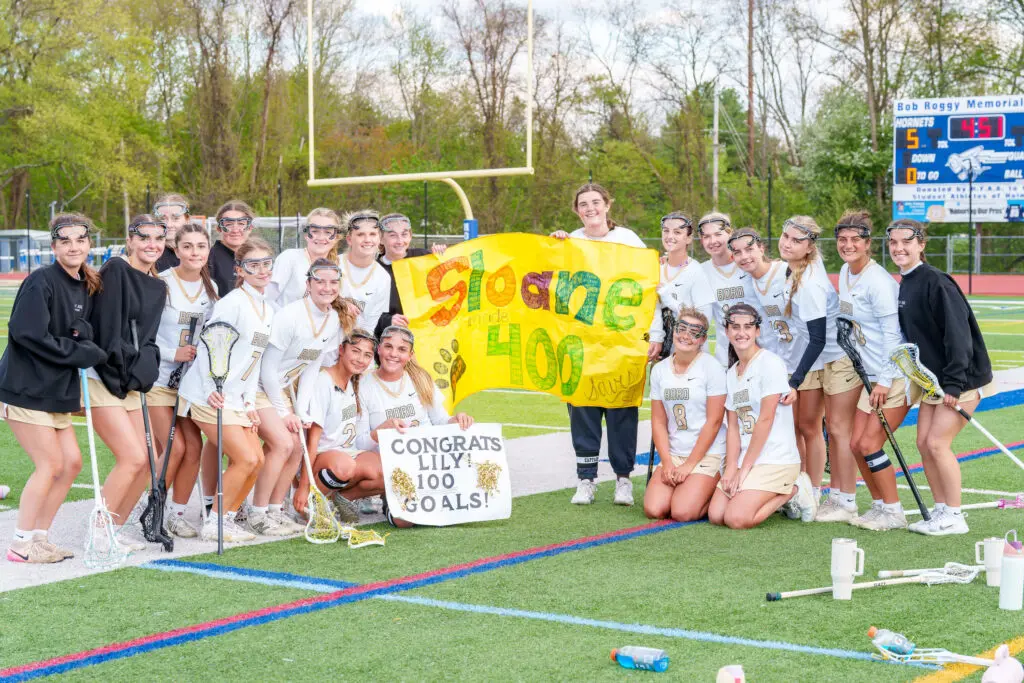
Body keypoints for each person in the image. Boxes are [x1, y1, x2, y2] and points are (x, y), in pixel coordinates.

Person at [0, 214, 107, 562]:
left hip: (57, 390)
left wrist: (85, 339)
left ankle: (40, 537)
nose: (73, 247)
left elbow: (76, 332)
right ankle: (20, 545)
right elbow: (27, 333)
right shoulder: (41, 281)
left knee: (71, 464)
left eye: (80, 240)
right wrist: (79, 351)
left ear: (89, 244)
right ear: (54, 246)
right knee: (49, 464)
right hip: (27, 387)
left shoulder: (84, 284)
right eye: (65, 241)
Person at [888, 219, 994, 536]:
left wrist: (954, 383)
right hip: (932, 381)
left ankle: (956, 516)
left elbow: (959, 337)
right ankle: (941, 511)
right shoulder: (906, 281)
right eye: (893, 242)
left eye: (906, 241)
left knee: (937, 443)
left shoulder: (937, 282)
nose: (898, 248)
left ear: (921, 244)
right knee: (923, 443)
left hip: (961, 379)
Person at [551, 183, 647, 506]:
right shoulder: (571, 241)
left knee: (622, 413)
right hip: (582, 344)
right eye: (583, 204)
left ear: (608, 204)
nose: (590, 208)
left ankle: (623, 480)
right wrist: (553, 248)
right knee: (583, 412)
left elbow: (647, 285)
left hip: (620, 342)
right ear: (576, 210)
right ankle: (586, 480)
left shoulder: (628, 239)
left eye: (596, 202)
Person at [178, 238, 276, 543]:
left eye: (266, 263)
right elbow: (209, 345)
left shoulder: (268, 308)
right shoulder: (232, 303)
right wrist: (211, 387)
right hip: (208, 394)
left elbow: (254, 360)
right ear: (240, 270)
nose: (262, 270)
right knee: (245, 459)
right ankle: (215, 523)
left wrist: (249, 402)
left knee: (257, 460)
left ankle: (228, 518)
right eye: (253, 265)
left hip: (236, 397)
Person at [87, 215, 169, 549]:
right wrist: (124, 372)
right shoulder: (116, 270)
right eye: (144, 237)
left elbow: (147, 339)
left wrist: (144, 371)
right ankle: (97, 532)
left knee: (148, 461)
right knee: (132, 457)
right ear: (130, 241)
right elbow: (107, 331)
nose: (152, 244)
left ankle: (113, 530)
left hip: (130, 379)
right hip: (103, 375)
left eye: (159, 238)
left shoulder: (158, 285)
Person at [250, 259, 344, 536]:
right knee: (283, 443)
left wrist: (300, 411)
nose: (327, 287)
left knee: (297, 445)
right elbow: (267, 369)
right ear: (308, 284)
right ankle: (257, 513)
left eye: (333, 282)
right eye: (320, 281)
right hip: (256, 386)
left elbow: (311, 367)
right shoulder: (290, 316)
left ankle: (275, 510)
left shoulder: (333, 319)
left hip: (281, 389)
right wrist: (284, 412)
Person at [829, 211, 908, 530]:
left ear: (867, 243)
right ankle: (878, 506)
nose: (847, 245)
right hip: (870, 376)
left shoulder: (878, 282)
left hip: (893, 376)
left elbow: (893, 336)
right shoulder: (846, 273)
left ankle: (894, 511)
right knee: (855, 444)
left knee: (869, 444)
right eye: (842, 240)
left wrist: (885, 381)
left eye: (854, 240)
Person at [707, 304, 816, 529]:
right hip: (747, 457)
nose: (741, 332)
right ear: (726, 331)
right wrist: (731, 467)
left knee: (736, 519)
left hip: (775, 458)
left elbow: (765, 420)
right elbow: (733, 427)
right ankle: (764, 491)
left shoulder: (770, 364)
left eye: (748, 327)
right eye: (735, 327)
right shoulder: (732, 373)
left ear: (757, 331)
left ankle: (795, 490)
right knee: (716, 515)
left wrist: (744, 469)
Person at [354, 326, 474, 527]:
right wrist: (380, 431)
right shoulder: (362, 385)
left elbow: (441, 421)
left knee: (451, 511)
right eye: (388, 346)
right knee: (405, 521)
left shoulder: (420, 379)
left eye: (402, 349)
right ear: (379, 349)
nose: (394, 354)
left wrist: (458, 420)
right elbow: (359, 443)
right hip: (391, 467)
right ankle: (386, 496)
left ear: (410, 355)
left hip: (428, 465)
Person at [151, 223, 219, 538]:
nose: (194, 252)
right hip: (157, 379)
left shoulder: (211, 288)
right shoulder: (160, 283)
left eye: (201, 246)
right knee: (174, 447)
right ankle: (151, 508)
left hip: (189, 385)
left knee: (194, 447)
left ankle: (176, 514)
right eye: (187, 246)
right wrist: (171, 353)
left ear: (208, 249)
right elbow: (141, 336)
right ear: (176, 250)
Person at [775, 217, 847, 504]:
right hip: (811, 355)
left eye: (796, 240)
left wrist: (795, 380)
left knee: (810, 427)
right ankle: (800, 485)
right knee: (799, 426)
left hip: (825, 358)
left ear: (809, 246)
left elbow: (818, 339)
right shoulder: (796, 268)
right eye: (785, 236)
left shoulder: (809, 283)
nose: (787, 243)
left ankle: (813, 491)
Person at [642, 308, 727, 522]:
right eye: (682, 328)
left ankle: (716, 491)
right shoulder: (659, 370)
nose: (686, 335)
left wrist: (689, 465)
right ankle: (692, 489)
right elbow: (658, 421)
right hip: (675, 452)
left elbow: (715, 421)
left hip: (707, 453)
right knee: (654, 509)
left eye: (695, 332)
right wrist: (667, 462)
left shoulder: (711, 368)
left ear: (703, 339)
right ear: (674, 331)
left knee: (682, 512)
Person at [294, 330, 381, 519]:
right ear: (341, 350)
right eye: (355, 351)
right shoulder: (323, 382)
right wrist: (303, 486)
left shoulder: (354, 381)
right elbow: (312, 442)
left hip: (346, 453)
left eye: (367, 355)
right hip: (320, 457)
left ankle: (341, 498)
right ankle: (311, 503)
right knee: (345, 466)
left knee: (385, 470)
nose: (361, 359)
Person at [698, 213, 768, 367]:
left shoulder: (748, 262)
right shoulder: (700, 272)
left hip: (764, 349)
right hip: (726, 356)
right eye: (707, 236)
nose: (713, 241)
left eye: (718, 234)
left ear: (730, 234)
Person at [646, 213, 715, 363]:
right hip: (662, 355)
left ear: (688, 238)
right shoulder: (656, 267)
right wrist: (656, 338)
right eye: (666, 231)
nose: (670, 236)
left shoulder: (696, 272)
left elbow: (704, 319)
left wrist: (670, 300)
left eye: (677, 232)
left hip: (691, 356)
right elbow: (653, 309)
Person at [374, 212, 446, 338]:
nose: (400, 241)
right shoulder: (373, 270)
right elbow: (366, 312)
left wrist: (442, 256)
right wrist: (388, 321)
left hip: (427, 336)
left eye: (404, 234)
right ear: (380, 238)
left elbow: (447, 285)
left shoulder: (423, 257)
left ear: (410, 236)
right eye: (392, 235)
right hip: (391, 339)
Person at [267, 207, 341, 308]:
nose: (321, 237)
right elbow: (268, 299)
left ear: (336, 237)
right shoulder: (290, 258)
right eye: (315, 231)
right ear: (306, 235)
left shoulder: (338, 266)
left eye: (328, 232)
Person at [340, 210, 391, 333]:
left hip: (355, 339)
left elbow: (370, 325)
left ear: (380, 239)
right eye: (360, 234)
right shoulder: (332, 265)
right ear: (349, 239)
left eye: (373, 234)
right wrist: (339, 304)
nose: (367, 239)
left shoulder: (383, 278)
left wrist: (357, 343)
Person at [208, 200, 256, 296]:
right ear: (219, 228)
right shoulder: (209, 259)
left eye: (241, 224)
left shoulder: (256, 257)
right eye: (229, 224)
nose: (235, 230)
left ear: (250, 228)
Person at [153, 193, 191, 271]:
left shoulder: (198, 252)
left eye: (176, 218)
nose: (169, 225)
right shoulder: (149, 253)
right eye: (163, 218)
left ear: (187, 220)